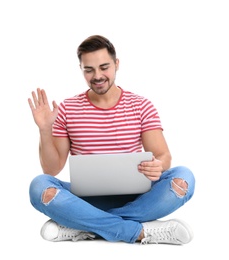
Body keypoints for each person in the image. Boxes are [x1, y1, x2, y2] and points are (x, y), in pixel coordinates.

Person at [28, 35, 195, 245]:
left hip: (137, 198)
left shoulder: (141, 106)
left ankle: (81, 225)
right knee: (39, 186)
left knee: (184, 177)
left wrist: (159, 165)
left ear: (116, 64)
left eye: (104, 67)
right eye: (88, 70)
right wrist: (45, 130)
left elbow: (163, 155)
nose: (97, 76)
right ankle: (138, 231)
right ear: (81, 69)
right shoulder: (67, 109)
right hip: (84, 200)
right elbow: (51, 169)